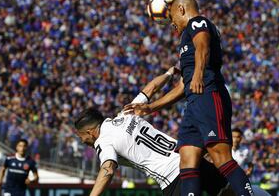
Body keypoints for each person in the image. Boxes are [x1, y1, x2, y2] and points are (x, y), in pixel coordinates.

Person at [124, 0, 254, 196]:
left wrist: (199, 74)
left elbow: (203, 46)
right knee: (187, 158)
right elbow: (182, 87)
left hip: (209, 94)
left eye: (172, 16)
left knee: (221, 157)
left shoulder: (197, 23)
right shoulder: (184, 40)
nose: (172, 23)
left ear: (182, 10)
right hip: (194, 102)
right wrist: (151, 107)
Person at [74, 67, 230, 196]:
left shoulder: (103, 141)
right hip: (191, 159)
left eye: (81, 136)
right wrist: (169, 74)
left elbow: (107, 169)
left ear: (90, 132)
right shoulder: (127, 112)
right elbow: (151, 89)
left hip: (174, 177)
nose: (82, 141)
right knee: (228, 191)